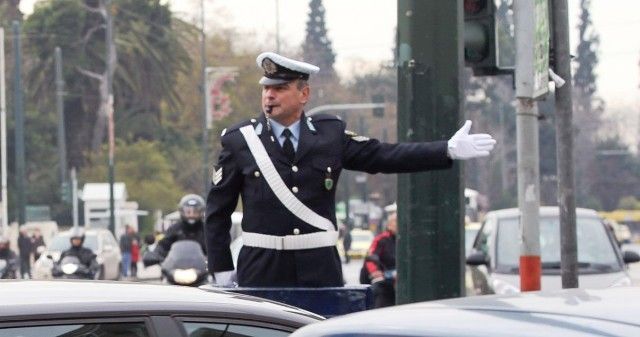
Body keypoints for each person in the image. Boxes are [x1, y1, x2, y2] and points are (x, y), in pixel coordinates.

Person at [205, 52, 496, 288]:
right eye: (266, 88)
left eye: (280, 88)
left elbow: (384, 155)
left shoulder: (330, 135)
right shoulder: (240, 140)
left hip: (319, 267)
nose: (269, 96)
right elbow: (217, 211)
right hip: (261, 267)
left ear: (304, 94)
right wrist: (220, 268)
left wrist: (445, 149)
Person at [155, 194, 207, 259]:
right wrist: (158, 257)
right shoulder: (175, 229)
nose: (191, 215)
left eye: (195, 212)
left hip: (204, 267)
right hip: (177, 267)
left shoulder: (207, 229)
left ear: (201, 212)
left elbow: (216, 246)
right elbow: (162, 246)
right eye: (188, 212)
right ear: (182, 211)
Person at [365, 205, 397, 308]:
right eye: (395, 221)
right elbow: (371, 257)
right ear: (389, 225)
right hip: (386, 280)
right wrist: (375, 272)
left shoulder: (407, 239)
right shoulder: (381, 239)